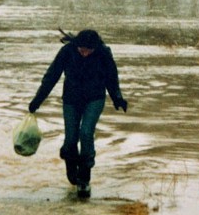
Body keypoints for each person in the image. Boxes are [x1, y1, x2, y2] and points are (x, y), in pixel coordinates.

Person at [28, 29, 127, 198]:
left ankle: (84, 179)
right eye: (82, 50)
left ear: (95, 48)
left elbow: (111, 77)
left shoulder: (103, 53)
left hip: (94, 99)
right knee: (71, 138)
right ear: (77, 46)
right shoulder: (67, 51)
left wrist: (117, 97)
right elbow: (51, 76)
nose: (85, 54)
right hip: (71, 100)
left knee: (86, 133)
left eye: (89, 51)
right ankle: (71, 165)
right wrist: (38, 100)